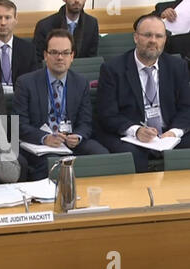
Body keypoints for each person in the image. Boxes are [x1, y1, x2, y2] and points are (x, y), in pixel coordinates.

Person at [96, 15, 190, 173]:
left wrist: (174, 132)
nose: (153, 40)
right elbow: (107, 114)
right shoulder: (113, 69)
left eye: (159, 36)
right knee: (132, 154)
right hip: (132, 137)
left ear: (165, 40)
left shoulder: (177, 66)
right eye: (147, 35)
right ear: (136, 38)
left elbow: (187, 107)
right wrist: (136, 131)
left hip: (168, 133)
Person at [13, 29, 108, 181]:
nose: (59, 57)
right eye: (54, 52)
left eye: (65, 53)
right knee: (53, 161)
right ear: (45, 55)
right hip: (41, 144)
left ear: (72, 56)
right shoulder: (25, 83)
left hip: (70, 140)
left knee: (101, 155)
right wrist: (45, 138)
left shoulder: (81, 82)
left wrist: (78, 136)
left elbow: (86, 121)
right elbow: (19, 124)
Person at [0, 0, 38, 91]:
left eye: (7, 17)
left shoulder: (29, 49)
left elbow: (33, 82)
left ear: (15, 19)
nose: (3, 23)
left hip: (21, 99)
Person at [33, 0, 99, 64]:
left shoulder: (92, 24)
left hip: (81, 72)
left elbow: (91, 60)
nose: (77, 1)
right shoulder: (44, 26)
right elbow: (38, 61)